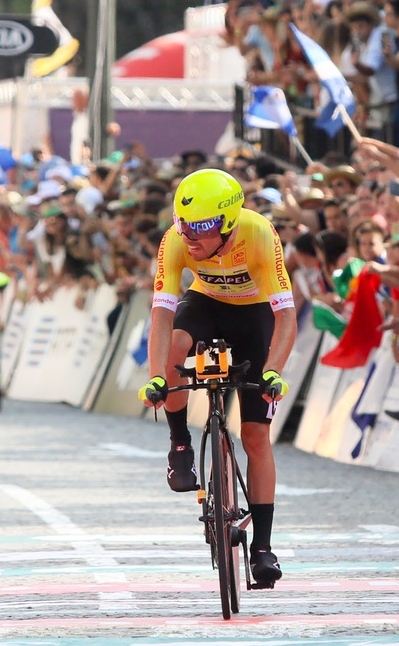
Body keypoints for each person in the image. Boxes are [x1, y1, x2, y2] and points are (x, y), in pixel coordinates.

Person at [138, 169, 297, 586]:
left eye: (201, 228)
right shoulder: (176, 241)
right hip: (205, 305)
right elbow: (161, 314)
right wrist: (158, 378)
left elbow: (285, 316)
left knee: (255, 437)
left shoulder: (259, 232)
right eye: (183, 225)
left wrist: (273, 371)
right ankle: (179, 444)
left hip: (254, 316)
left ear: (228, 224)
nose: (189, 237)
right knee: (175, 349)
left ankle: (262, 547)